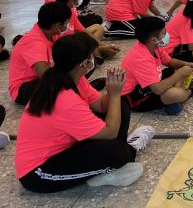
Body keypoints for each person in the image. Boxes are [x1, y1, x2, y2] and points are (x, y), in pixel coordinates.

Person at [15, 33, 155, 193]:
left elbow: (100, 105)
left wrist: (111, 91)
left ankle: (117, 156)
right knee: (115, 151)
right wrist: (115, 94)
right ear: (83, 63)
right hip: (39, 173)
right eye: (91, 56)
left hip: (65, 148)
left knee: (120, 107)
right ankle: (126, 152)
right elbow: (109, 133)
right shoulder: (64, 98)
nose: (94, 59)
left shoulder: (68, 78)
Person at [121, 16, 193, 115]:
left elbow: (169, 61)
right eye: (164, 33)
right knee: (172, 94)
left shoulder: (153, 45)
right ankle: (190, 91)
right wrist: (180, 73)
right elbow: (157, 89)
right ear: (153, 39)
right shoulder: (141, 58)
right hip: (135, 96)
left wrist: (186, 64)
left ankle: (176, 96)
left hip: (149, 84)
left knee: (173, 71)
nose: (167, 35)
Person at [8, 2, 72, 105]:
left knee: (78, 66)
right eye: (65, 23)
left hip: (40, 80)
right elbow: (45, 74)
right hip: (23, 89)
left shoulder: (50, 33)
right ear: (57, 25)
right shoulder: (34, 42)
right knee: (62, 79)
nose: (67, 26)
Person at [55, 0, 119, 59]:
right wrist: (102, 47)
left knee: (98, 28)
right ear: (72, 0)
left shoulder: (70, 10)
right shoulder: (58, 15)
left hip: (74, 41)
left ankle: (96, 51)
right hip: (67, 48)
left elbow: (84, 32)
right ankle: (97, 51)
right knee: (85, 44)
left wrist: (106, 46)